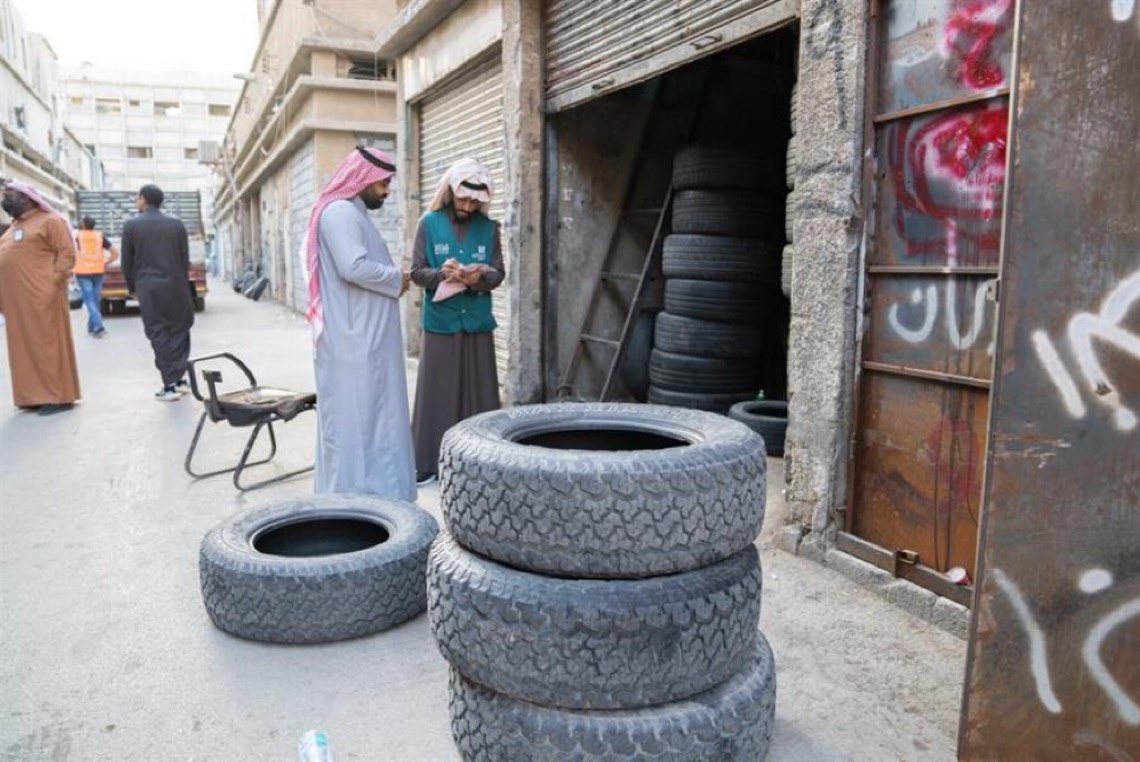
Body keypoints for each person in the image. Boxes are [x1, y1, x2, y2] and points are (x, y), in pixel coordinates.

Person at [306, 146, 415, 500]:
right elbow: (352, 267)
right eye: (383, 183)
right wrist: (397, 278)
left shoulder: (351, 213)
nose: (386, 191)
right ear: (363, 179)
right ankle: (355, 500)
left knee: (374, 419)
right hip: (355, 343)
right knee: (359, 421)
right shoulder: (340, 212)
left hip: (364, 340)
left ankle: (380, 495)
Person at [410, 158, 505, 486]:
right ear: (451, 192)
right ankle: (428, 461)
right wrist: (443, 274)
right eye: (463, 199)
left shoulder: (490, 229)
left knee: (480, 391)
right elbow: (417, 272)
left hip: (477, 321)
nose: (467, 206)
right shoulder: (429, 223)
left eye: (474, 202)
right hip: (441, 322)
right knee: (437, 392)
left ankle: (482, 460)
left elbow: (498, 274)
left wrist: (476, 277)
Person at [0, 181, 81, 415]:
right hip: (16, 300)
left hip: (43, 295)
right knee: (22, 347)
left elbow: (67, 254)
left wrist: (53, 284)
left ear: (27, 198)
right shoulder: (15, 226)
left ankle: (58, 397)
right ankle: (32, 396)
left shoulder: (51, 221)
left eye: (10, 194)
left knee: (47, 344)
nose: (5, 199)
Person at [120, 184, 194, 401]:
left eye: (137, 197)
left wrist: (132, 288)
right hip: (177, 285)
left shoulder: (131, 226)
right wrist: (181, 281)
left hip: (149, 287)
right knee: (180, 329)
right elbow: (184, 258)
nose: (137, 201)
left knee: (158, 332)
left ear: (144, 199)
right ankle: (179, 380)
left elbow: (127, 263)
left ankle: (169, 385)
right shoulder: (176, 224)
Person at [74, 216, 119, 338]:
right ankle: (91, 327)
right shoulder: (99, 236)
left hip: (83, 273)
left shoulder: (77, 236)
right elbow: (115, 253)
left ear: (83, 225)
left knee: (89, 301)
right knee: (95, 300)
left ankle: (99, 327)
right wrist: (106, 262)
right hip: (98, 272)